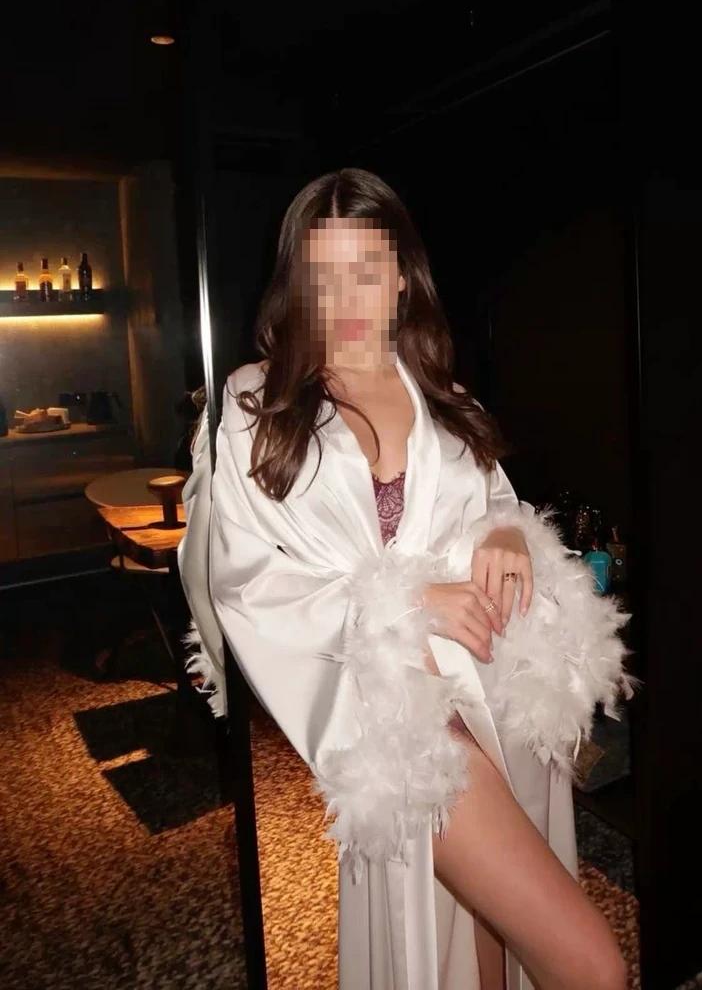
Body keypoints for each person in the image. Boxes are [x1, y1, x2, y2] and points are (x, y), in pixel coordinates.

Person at [180, 168, 639, 990]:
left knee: (486, 950)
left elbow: (492, 503)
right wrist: (405, 604)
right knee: (591, 964)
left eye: (366, 269)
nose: (347, 298)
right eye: (324, 276)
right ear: (297, 285)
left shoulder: (441, 394)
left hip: (496, 694)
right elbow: (245, 584)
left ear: (401, 275)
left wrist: (510, 530)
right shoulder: (256, 405)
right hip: (403, 729)